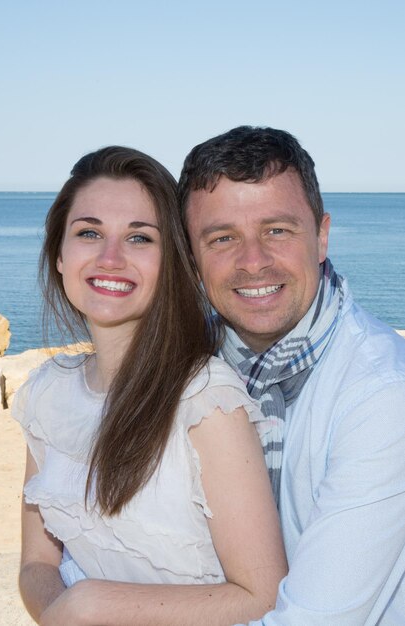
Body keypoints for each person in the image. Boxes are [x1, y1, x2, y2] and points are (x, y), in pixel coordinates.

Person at [13, 146, 287, 626]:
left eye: (140, 238)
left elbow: (262, 596)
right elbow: (37, 564)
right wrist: (65, 613)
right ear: (59, 254)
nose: (111, 257)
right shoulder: (45, 394)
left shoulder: (205, 400)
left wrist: (92, 605)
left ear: (172, 263)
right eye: (89, 232)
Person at [178, 125, 405, 625]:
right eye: (222, 238)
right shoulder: (185, 371)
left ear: (321, 236)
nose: (253, 262)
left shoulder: (383, 395)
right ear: (192, 260)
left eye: (277, 230)